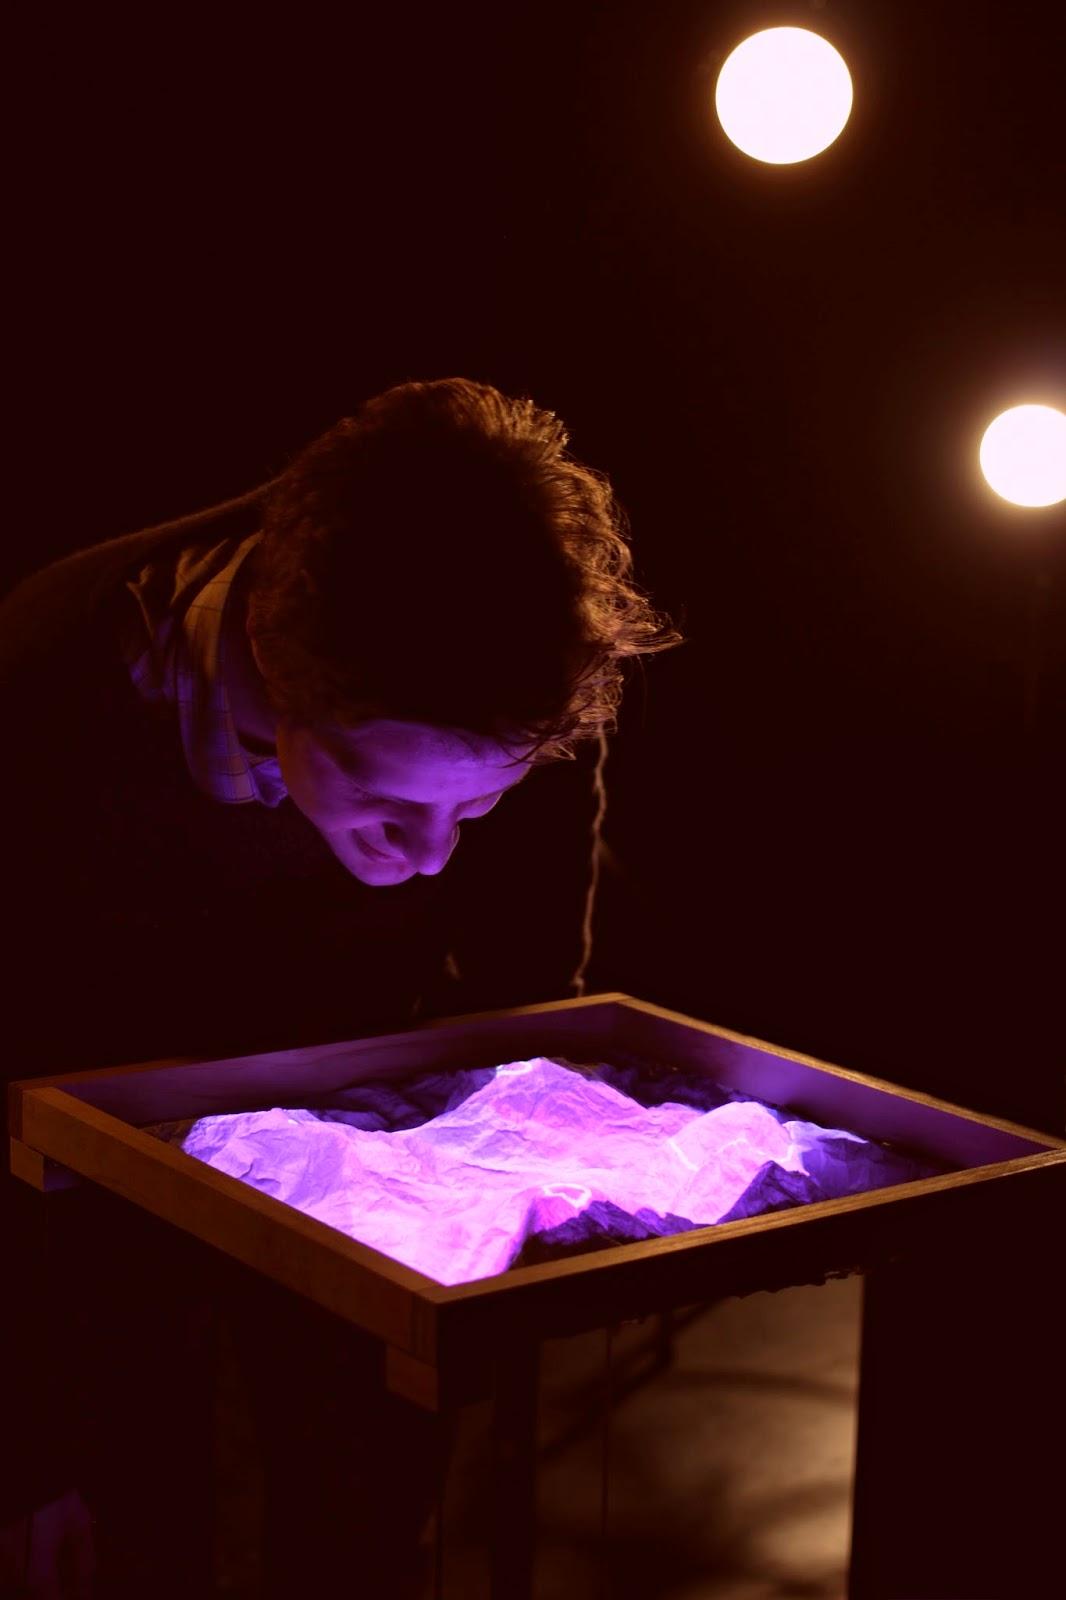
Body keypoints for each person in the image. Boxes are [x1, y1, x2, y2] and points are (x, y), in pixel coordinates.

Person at [0, 377, 679, 1597]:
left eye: (478, 803)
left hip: (362, 1120)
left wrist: (510, 1151)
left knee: (363, 1507)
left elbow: (527, 986)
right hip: (78, 1171)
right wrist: (26, 1445)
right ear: (274, 664)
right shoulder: (48, 693)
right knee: (128, 1510)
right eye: (384, 799)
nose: (431, 854)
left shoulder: (517, 658)